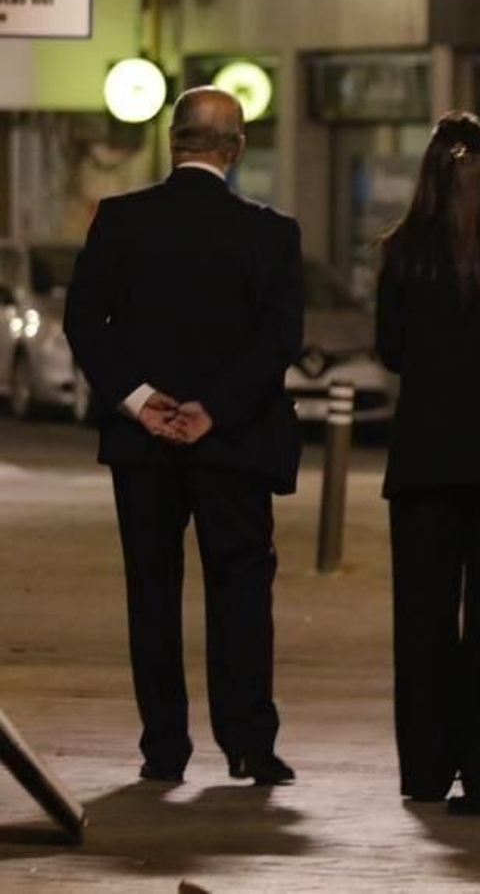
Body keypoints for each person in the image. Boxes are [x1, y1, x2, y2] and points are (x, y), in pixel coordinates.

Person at [63, 86, 302, 787]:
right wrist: (214, 408)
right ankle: (250, 741)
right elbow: (280, 339)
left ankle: (164, 746)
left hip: (143, 446)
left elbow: (85, 322)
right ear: (236, 150)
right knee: (241, 589)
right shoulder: (269, 232)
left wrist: (140, 401)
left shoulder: (119, 219)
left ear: (172, 142)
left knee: (153, 590)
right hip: (235, 441)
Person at [375, 112, 480, 804]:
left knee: (423, 620)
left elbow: (391, 352)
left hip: (424, 459)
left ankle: (424, 768)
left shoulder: (399, 250)